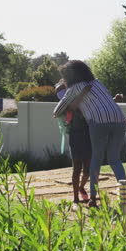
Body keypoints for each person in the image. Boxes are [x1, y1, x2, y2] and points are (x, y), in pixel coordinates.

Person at [53, 60, 126, 207]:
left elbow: (56, 112)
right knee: (115, 159)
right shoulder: (98, 83)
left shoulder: (74, 89)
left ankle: (93, 198)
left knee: (96, 159)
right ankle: (125, 195)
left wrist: (73, 103)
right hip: (119, 120)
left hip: (98, 122)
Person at [55, 80, 91, 211]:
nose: (60, 93)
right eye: (58, 92)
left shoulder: (81, 98)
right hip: (75, 136)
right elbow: (59, 112)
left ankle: (81, 187)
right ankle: (75, 198)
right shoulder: (65, 104)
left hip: (88, 135)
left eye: (61, 89)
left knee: (87, 170)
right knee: (77, 168)